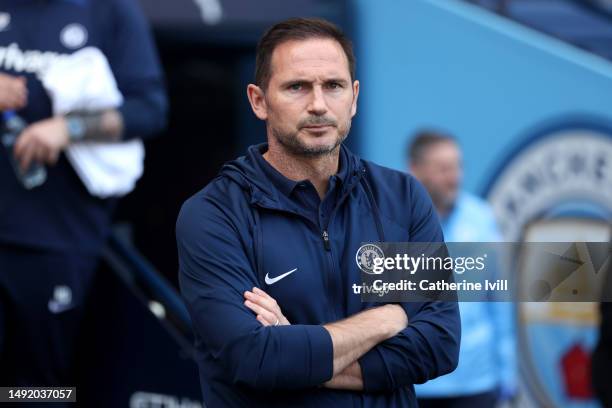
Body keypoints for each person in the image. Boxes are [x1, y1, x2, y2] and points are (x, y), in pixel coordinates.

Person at [177, 18, 460, 407]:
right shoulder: (214, 215)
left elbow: (439, 343)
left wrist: (298, 352)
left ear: (355, 97)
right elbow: (256, 357)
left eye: (333, 86)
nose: (318, 104)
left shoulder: (400, 197)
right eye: (297, 87)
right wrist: (385, 319)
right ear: (258, 100)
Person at [0, 0, 167, 391]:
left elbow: (150, 108)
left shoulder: (109, 11)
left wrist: (67, 128)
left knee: (35, 386)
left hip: (54, 237)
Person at [408, 131, 517, 408]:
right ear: (416, 170)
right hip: (415, 381)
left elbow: (500, 298)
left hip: (476, 383)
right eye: (443, 169)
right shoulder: (394, 219)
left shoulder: (481, 219)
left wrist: (507, 373)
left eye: (457, 166)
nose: (454, 177)